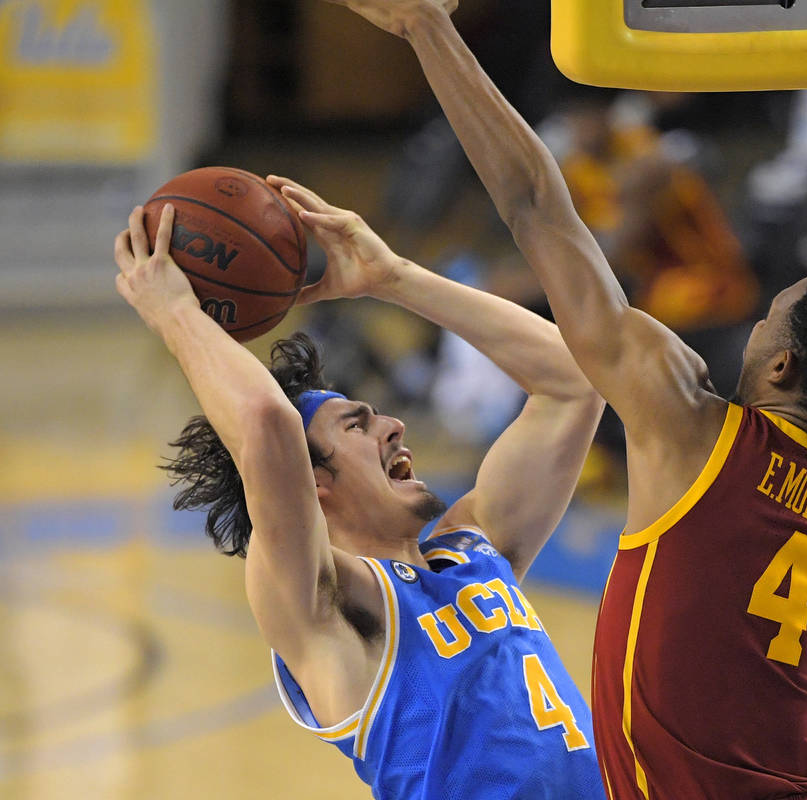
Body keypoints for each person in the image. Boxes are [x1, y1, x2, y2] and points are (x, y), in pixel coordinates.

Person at [332, 0, 807, 796]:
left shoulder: (690, 429)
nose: (759, 321)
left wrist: (429, 27)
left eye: (771, 317)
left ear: (782, 369)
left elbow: (533, 202)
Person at [112, 181, 606, 798]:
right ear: (313, 480)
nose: (395, 425)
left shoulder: (475, 551)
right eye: (358, 425)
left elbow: (574, 383)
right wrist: (174, 312)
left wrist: (393, 278)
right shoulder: (326, 607)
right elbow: (266, 424)